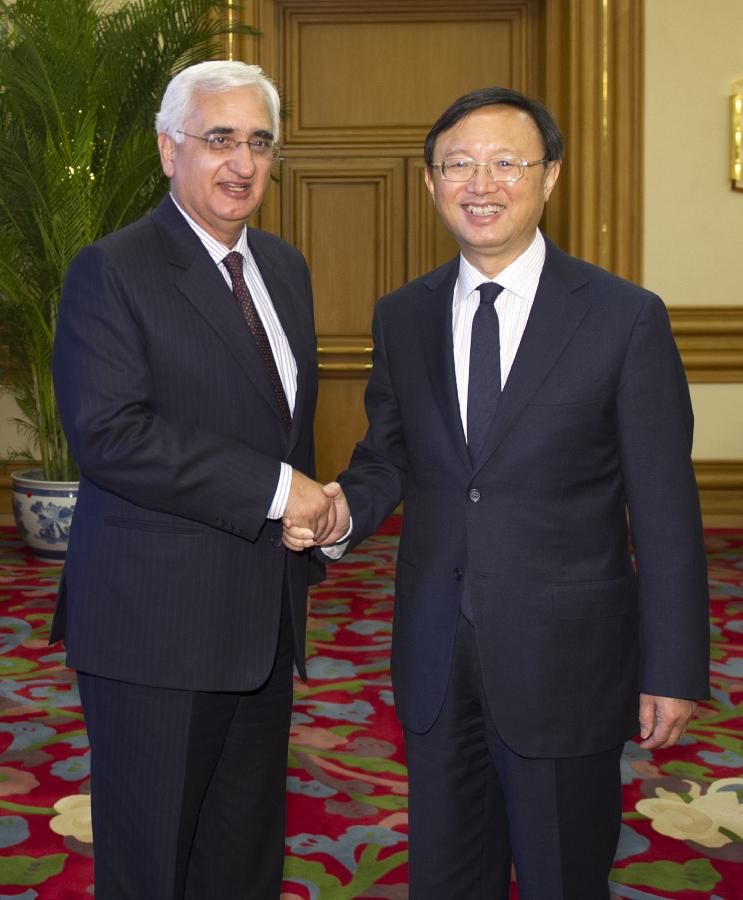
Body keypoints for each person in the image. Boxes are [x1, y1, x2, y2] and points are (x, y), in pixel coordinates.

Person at [283, 87, 710, 899]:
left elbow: (664, 509)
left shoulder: (623, 318)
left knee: (561, 875)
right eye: (458, 165)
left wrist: (674, 664)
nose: (480, 184)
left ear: (548, 176)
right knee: (445, 875)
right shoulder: (402, 315)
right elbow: (389, 457)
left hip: (567, 661)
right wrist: (339, 511)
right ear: (429, 183)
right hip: (437, 653)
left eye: (505, 163)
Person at [51, 60, 341, 899]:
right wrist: (276, 490)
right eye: (219, 139)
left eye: (258, 141)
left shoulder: (284, 268)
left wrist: (304, 511)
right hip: (156, 631)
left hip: (264, 623)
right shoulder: (113, 270)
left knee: (242, 862)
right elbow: (111, 436)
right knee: (152, 868)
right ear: (167, 148)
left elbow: (276, 421)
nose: (242, 163)